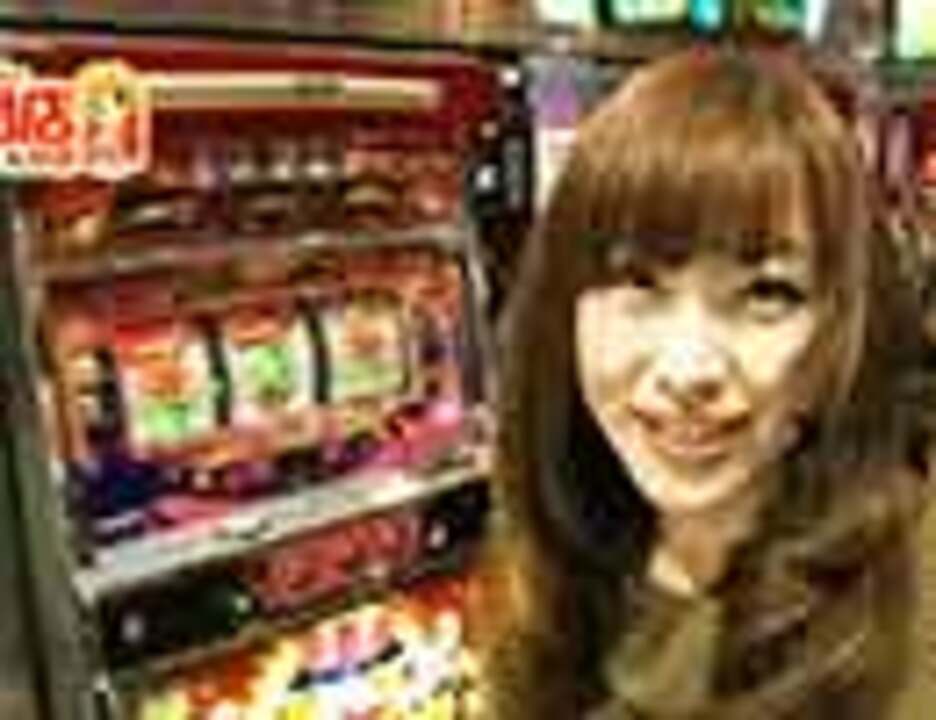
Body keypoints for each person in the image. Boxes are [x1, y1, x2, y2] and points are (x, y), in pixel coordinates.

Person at [474, 43, 930, 719]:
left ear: (843, 329)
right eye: (638, 282)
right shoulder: (556, 550)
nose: (689, 369)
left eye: (766, 294)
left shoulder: (912, 598)